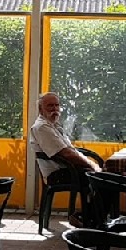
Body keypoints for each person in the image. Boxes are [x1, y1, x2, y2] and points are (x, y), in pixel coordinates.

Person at [30, 92, 100, 226]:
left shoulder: (54, 125)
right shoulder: (42, 127)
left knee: (104, 178)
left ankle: (91, 217)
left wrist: (91, 164)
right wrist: (92, 166)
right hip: (57, 174)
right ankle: (90, 219)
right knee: (100, 179)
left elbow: (71, 150)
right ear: (40, 109)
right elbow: (66, 154)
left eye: (56, 105)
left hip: (68, 170)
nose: (54, 109)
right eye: (50, 106)